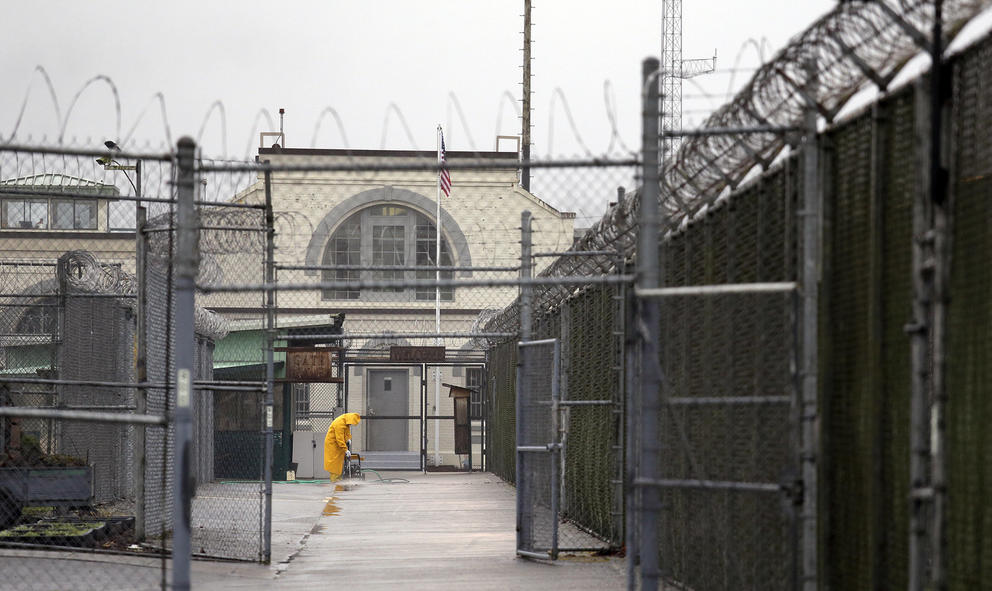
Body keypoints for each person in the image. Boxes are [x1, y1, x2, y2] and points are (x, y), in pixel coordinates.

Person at [323, 412, 361, 481]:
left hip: (338, 445)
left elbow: (347, 432)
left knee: (339, 464)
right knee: (334, 465)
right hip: (333, 445)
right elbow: (339, 439)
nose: (350, 425)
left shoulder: (346, 422)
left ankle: (338, 481)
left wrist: (348, 439)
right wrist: (345, 449)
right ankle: (335, 482)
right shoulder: (339, 423)